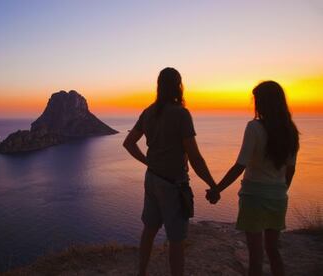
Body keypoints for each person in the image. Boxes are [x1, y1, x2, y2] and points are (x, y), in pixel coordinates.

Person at [123, 67, 218, 276]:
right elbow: (195, 158)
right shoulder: (181, 114)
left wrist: (148, 161)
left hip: (152, 179)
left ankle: (142, 273)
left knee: (149, 229)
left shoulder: (148, 112)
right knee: (176, 240)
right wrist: (213, 184)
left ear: (158, 86)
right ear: (179, 86)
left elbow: (129, 143)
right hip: (173, 184)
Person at [206, 81, 299, 276]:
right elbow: (291, 169)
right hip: (278, 197)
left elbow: (240, 165)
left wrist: (217, 189)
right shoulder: (290, 130)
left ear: (263, 102)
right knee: (273, 251)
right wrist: (281, 189)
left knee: (255, 256)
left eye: (256, 99)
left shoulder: (254, 127)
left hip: (254, 197)